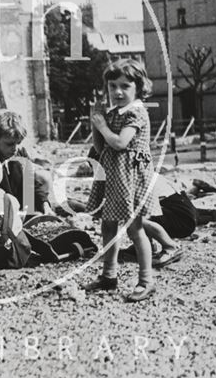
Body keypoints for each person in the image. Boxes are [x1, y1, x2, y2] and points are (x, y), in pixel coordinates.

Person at [82, 59, 162, 302]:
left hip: (130, 177)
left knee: (135, 229)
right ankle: (109, 275)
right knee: (107, 225)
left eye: (125, 86)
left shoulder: (137, 112)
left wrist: (103, 126)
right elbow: (100, 147)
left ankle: (147, 280)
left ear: (138, 87)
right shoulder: (114, 113)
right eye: (112, 86)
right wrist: (95, 121)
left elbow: (119, 143)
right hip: (114, 175)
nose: (117, 91)